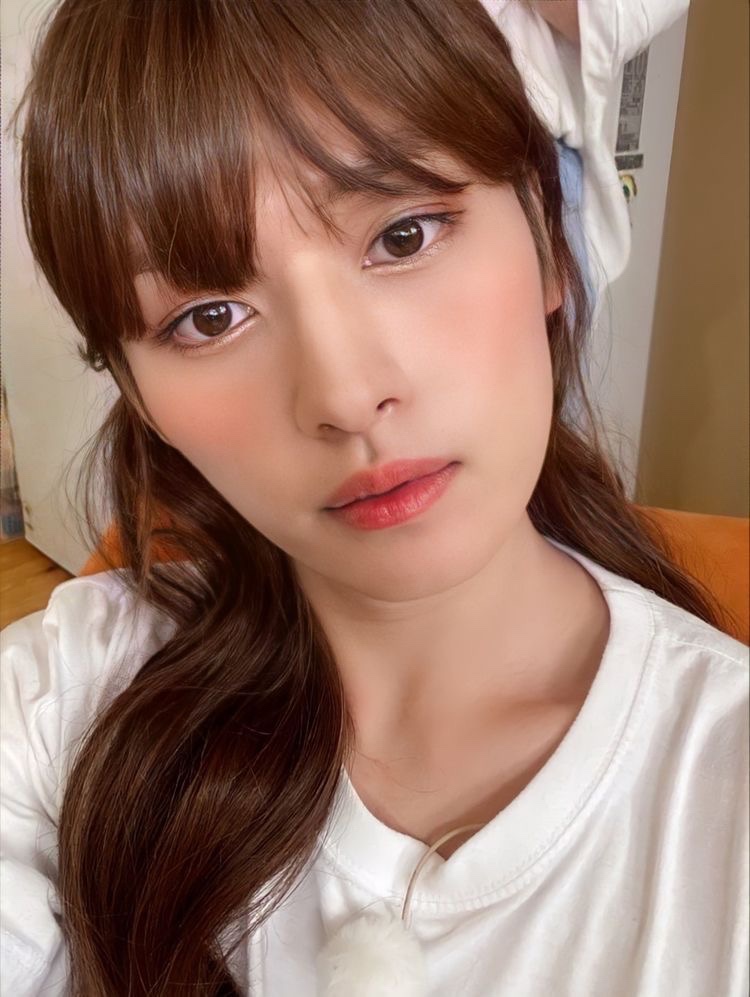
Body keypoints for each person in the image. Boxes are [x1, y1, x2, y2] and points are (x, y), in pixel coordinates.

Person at [1, 1, 747, 995]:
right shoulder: (64, 706)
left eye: (403, 235)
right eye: (209, 317)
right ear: (140, 397)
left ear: (548, 236)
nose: (348, 395)